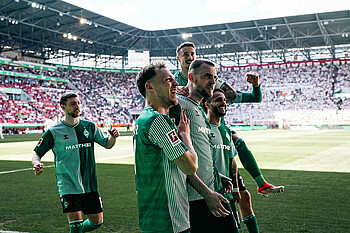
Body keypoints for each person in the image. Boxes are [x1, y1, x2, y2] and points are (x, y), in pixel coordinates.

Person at [175, 41, 284, 197]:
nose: (190, 57)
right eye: (185, 54)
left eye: (192, 53)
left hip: (217, 130)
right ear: (178, 58)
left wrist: (254, 86)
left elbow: (241, 96)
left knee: (242, 195)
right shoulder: (173, 82)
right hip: (196, 134)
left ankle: (261, 184)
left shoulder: (210, 78)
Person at [32, 92, 120, 233]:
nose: (77, 106)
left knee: (97, 222)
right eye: (73, 104)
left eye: (78, 103)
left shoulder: (90, 127)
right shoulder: (54, 132)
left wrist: (113, 138)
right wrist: (36, 163)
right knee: (75, 224)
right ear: (63, 107)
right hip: (68, 185)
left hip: (89, 184)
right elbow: (37, 153)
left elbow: (107, 144)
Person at [169, 59, 239, 233]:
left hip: (214, 190)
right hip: (198, 199)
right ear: (191, 77)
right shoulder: (178, 105)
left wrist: (216, 174)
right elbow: (178, 158)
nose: (212, 81)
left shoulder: (199, 109)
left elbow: (202, 151)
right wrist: (173, 91)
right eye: (207, 76)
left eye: (214, 77)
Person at [134, 61, 198, 233]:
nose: (176, 83)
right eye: (169, 80)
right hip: (169, 221)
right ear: (150, 87)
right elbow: (190, 167)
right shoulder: (157, 121)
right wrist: (185, 136)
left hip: (154, 219)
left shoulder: (142, 120)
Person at [204, 89, 260, 233]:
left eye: (224, 100)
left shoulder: (226, 131)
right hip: (208, 193)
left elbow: (231, 162)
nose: (223, 103)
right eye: (218, 100)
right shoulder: (201, 129)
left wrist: (235, 188)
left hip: (226, 194)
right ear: (207, 105)